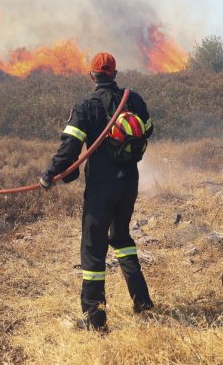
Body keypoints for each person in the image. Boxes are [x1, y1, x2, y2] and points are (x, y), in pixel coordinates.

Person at [39, 51, 154, 332]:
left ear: (92, 75)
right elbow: (148, 131)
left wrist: (49, 175)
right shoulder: (134, 99)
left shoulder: (86, 105)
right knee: (122, 236)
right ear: (114, 74)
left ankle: (95, 320)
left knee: (93, 250)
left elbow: (69, 147)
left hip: (102, 186)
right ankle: (142, 302)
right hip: (129, 182)